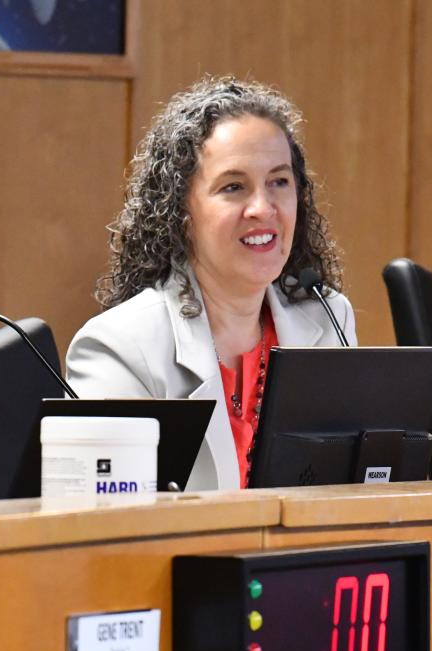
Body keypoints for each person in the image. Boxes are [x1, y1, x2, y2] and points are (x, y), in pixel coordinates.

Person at [66, 76, 357, 491]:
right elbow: (107, 524)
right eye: (233, 187)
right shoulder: (119, 346)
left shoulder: (328, 318)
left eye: (279, 181)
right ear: (180, 213)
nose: (263, 208)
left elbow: (352, 495)